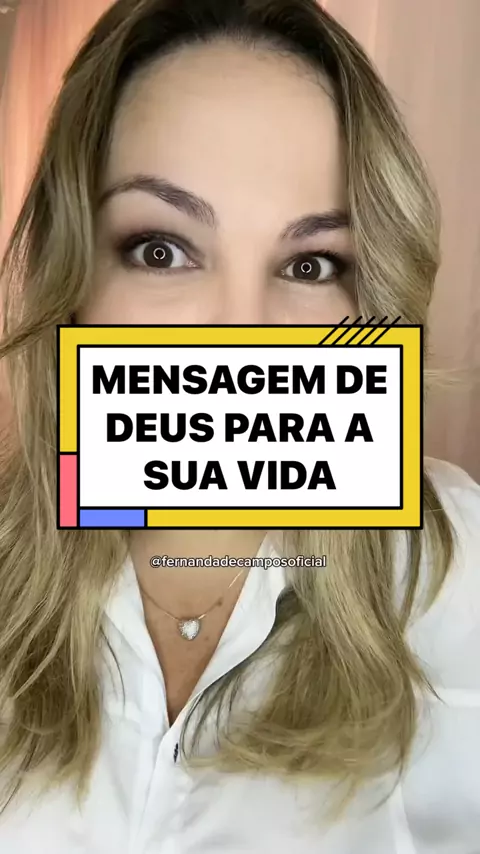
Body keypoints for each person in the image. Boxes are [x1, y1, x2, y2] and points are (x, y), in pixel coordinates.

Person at [0, 0, 479, 851]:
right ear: (73, 279)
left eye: (311, 264)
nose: (240, 336)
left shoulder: (452, 573)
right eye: (161, 250)